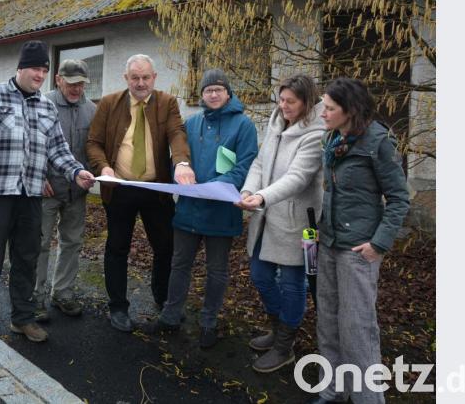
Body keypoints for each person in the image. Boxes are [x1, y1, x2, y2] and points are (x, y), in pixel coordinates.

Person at [0, 40, 95, 349]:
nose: (40, 75)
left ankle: (22, 317)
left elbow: (58, 149)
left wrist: (76, 172)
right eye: (35, 68)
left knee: (27, 259)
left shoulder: (46, 107)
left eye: (44, 70)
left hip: (31, 196)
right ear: (20, 68)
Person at [307, 77, 409, 404]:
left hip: (358, 250)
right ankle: (333, 390)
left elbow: (399, 199)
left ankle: (368, 398)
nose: (322, 113)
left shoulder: (379, 141)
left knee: (358, 329)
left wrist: (378, 244)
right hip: (329, 242)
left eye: (329, 108)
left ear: (350, 110)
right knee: (328, 322)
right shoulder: (333, 137)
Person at [142, 69, 257, 349]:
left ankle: (209, 322)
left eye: (218, 89)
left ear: (228, 93)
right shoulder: (192, 124)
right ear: (201, 95)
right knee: (179, 264)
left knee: (216, 270)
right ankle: (170, 316)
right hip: (190, 209)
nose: (213, 94)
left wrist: (215, 187)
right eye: (208, 90)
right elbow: (179, 159)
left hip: (221, 211)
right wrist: (179, 176)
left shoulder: (243, 125)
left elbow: (245, 165)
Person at [86, 54, 195, 332]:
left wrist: (182, 163)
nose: (141, 83)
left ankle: (163, 298)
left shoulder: (167, 103)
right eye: (135, 77)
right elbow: (93, 142)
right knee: (117, 248)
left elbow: (177, 134)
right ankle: (118, 307)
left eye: (146, 77)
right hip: (119, 188)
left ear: (154, 77)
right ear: (126, 78)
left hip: (155, 189)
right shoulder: (109, 104)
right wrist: (104, 167)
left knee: (165, 246)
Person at [236, 74, 326, 372]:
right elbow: (260, 163)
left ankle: (285, 346)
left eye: (291, 101)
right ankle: (278, 329)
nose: (283, 106)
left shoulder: (316, 133)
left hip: (302, 224)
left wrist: (261, 197)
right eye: (281, 99)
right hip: (267, 217)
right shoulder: (276, 123)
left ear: (307, 102)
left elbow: (298, 178)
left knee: (293, 284)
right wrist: (249, 190)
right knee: (260, 275)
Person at [33, 59, 97, 322]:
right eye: (71, 83)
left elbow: (93, 147)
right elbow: (30, 144)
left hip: (76, 192)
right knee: (39, 244)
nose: (76, 89)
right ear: (58, 80)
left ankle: (63, 293)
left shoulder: (91, 110)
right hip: (46, 190)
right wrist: (38, 176)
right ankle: (34, 298)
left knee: (72, 242)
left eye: (81, 84)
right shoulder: (41, 104)